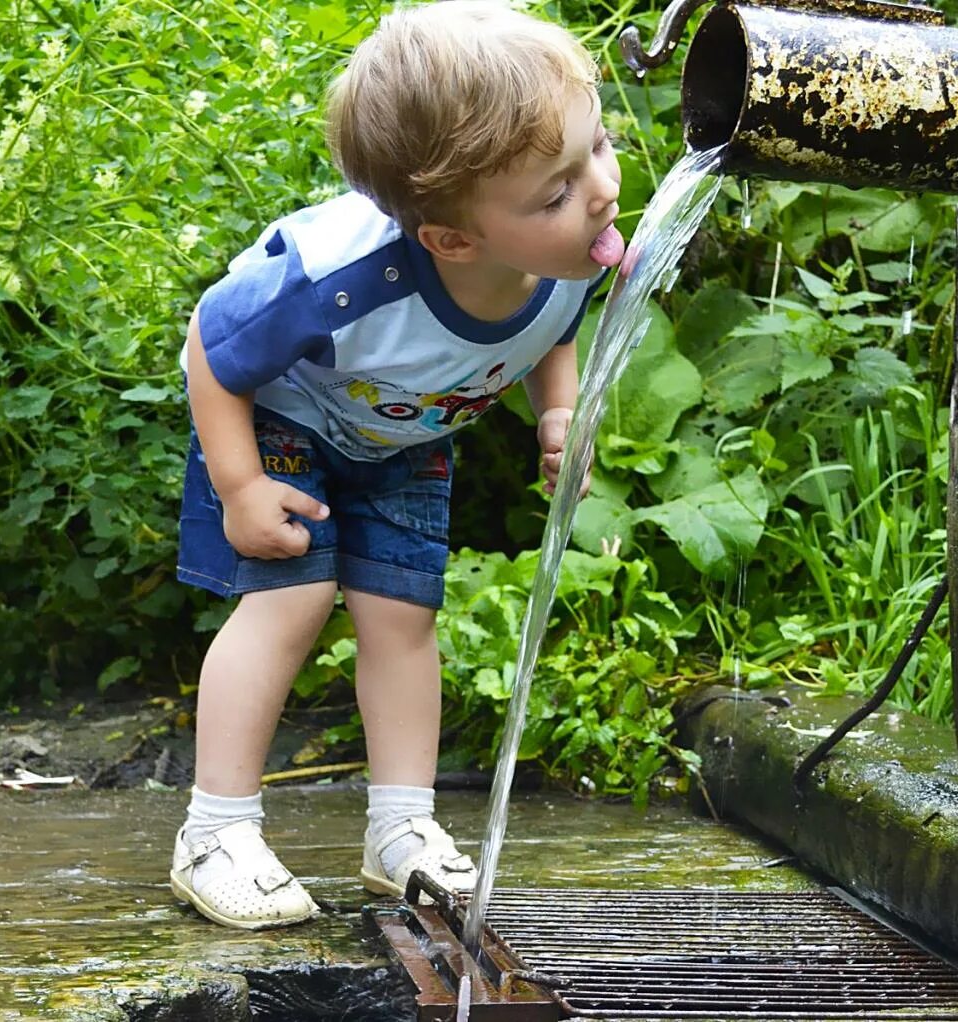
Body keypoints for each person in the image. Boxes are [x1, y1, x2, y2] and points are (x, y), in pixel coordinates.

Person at [169, 0, 624, 929]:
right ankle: (214, 831)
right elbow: (212, 349)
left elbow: (551, 330)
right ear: (452, 240)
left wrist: (561, 410)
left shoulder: (571, 254)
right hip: (283, 418)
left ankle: (401, 832)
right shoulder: (340, 280)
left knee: (404, 616)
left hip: (403, 439)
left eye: (600, 147)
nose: (602, 191)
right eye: (557, 190)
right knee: (290, 600)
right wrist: (240, 485)